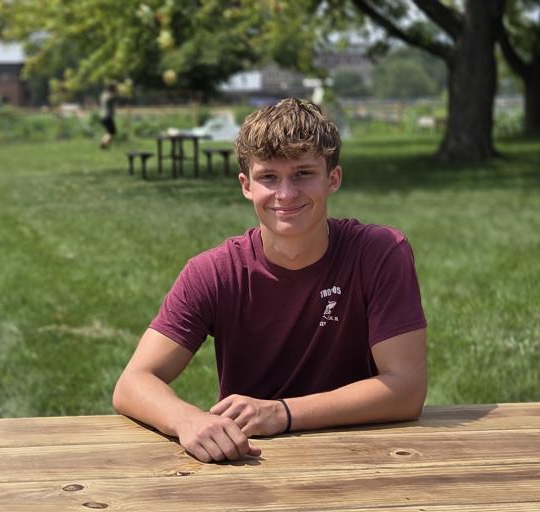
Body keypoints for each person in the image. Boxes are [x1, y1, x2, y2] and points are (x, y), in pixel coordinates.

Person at [112, 98, 427, 463]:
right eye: (269, 177)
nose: (286, 194)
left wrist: (283, 412)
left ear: (333, 179)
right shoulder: (214, 271)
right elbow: (132, 383)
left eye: (303, 174)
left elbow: (406, 389)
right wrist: (187, 419)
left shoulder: (379, 253)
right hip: (250, 458)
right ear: (246, 185)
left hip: (361, 452)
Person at [98, 84, 117, 149]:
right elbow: (114, 96)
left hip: (102, 116)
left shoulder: (103, 95)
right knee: (112, 132)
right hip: (107, 116)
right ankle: (104, 144)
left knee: (107, 131)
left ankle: (103, 143)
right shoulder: (110, 96)